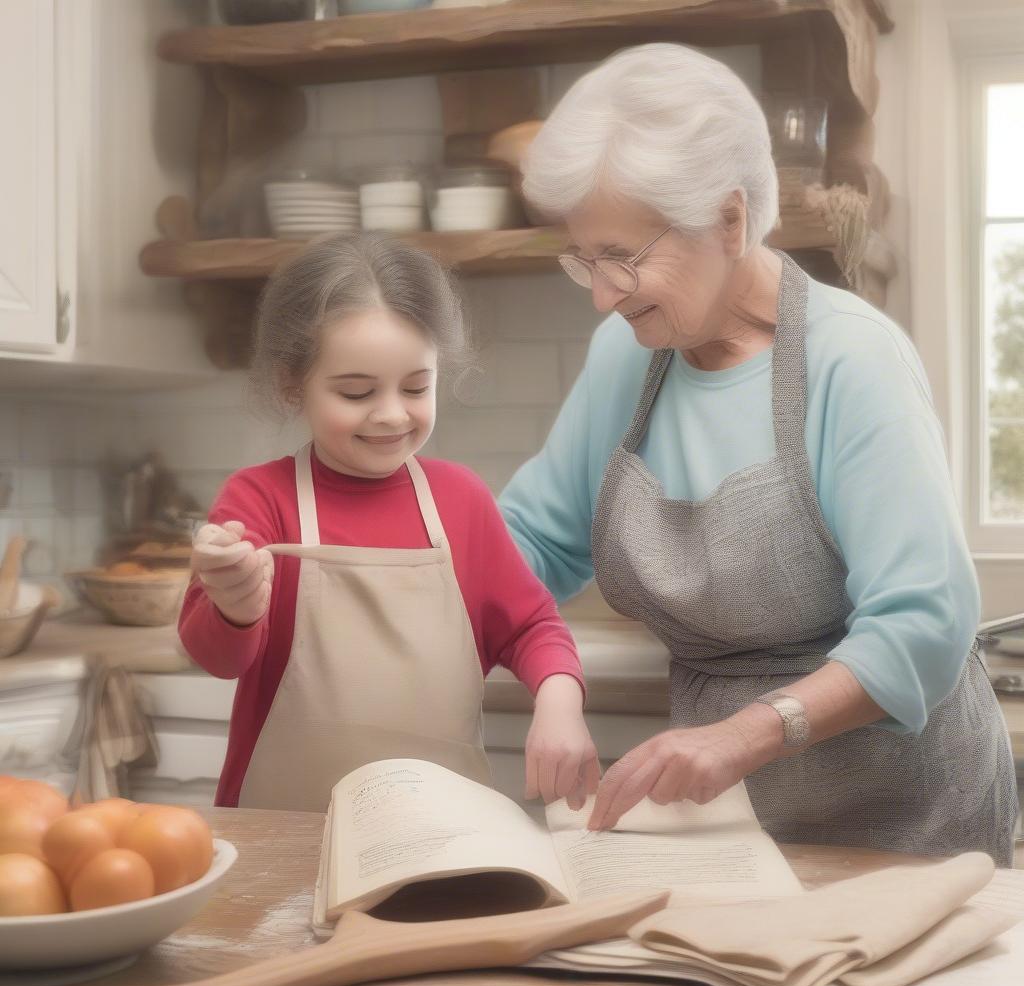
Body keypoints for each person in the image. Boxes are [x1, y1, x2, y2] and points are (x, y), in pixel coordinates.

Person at [499, 43, 1019, 864]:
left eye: (625, 259)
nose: (602, 293)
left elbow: (925, 623)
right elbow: (528, 543)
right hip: (732, 829)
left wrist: (742, 735)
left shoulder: (853, 359)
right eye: (584, 260)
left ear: (730, 219)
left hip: (910, 825)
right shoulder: (622, 353)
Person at [179, 232, 599, 813]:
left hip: (441, 835)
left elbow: (532, 628)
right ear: (290, 384)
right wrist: (233, 604)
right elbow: (217, 659)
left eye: (416, 387)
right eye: (356, 392)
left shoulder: (461, 501)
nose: (391, 414)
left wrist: (559, 705)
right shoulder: (260, 500)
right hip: (285, 829)